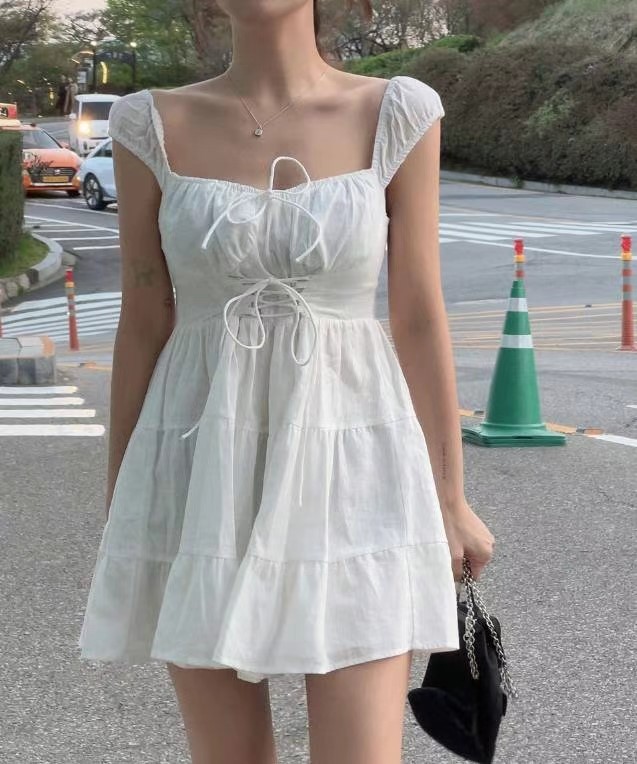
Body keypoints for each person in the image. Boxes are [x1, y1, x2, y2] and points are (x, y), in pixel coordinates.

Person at [77, 0, 496, 762]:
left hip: (355, 465)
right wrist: (124, 501)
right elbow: (143, 319)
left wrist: (450, 497)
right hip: (198, 469)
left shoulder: (396, 112)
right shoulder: (148, 124)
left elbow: (417, 315)